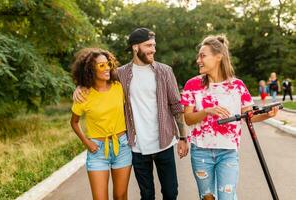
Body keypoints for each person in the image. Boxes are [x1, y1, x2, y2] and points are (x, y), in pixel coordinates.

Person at [73, 28, 189, 200]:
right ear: (136, 47)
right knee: (146, 195)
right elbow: (95, 79)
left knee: (171, 193)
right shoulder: (121, 74)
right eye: (148, 45)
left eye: (154, 45)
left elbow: (176, 106)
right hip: (137, 146)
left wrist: (182, 137)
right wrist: (80, 87)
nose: (153, 49)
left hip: (164, 142)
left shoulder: (165, 71)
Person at [180, 35, 279, 200]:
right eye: (198, 56)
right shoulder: (192, 85)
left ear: (218, 57)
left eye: (203, 56)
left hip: (228, 151)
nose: (198, 60)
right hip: (201, 152)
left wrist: (266, 115)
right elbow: (188, 119)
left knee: (227, 197)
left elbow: (249, 116)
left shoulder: (237, 86)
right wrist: (207, 111)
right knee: (207, 197)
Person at [70, 48, 132, 200]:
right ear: (91, 69)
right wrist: (86, 142)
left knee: (120, 195)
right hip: (97, 150)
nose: (107, 69)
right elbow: (74, 122)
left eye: (108, 64)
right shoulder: (84, 94)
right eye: (101, 65)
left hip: (122, 146)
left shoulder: (119, 87)